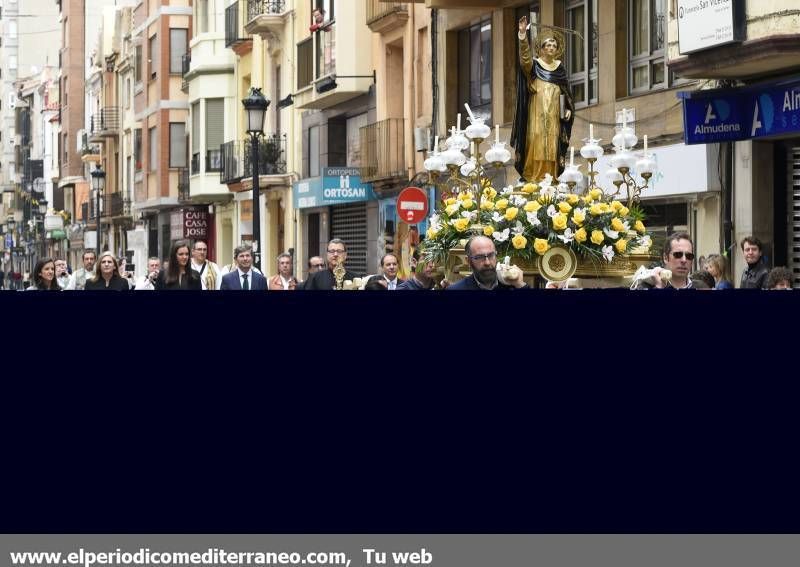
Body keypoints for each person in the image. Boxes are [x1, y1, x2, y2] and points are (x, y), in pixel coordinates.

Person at [511, 16, 575, 184]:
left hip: (554, 116)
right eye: (548, 45)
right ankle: (533, 176)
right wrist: (523, 35)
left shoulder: (560, 69)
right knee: (536, 139)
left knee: (552, 144)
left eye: (554, 45)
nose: (552, 47)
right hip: (536, 113)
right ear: (541, 48)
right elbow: (524, 60)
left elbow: (566, 94)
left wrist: (568, 110)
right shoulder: (535, 66)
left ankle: (550, 177)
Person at [446, 236, 527, 290]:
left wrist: (520, 284)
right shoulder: (457, 289)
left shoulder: (512, 286)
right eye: (480, 257)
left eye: (491, 255)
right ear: (468, 261)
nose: (487, 263)